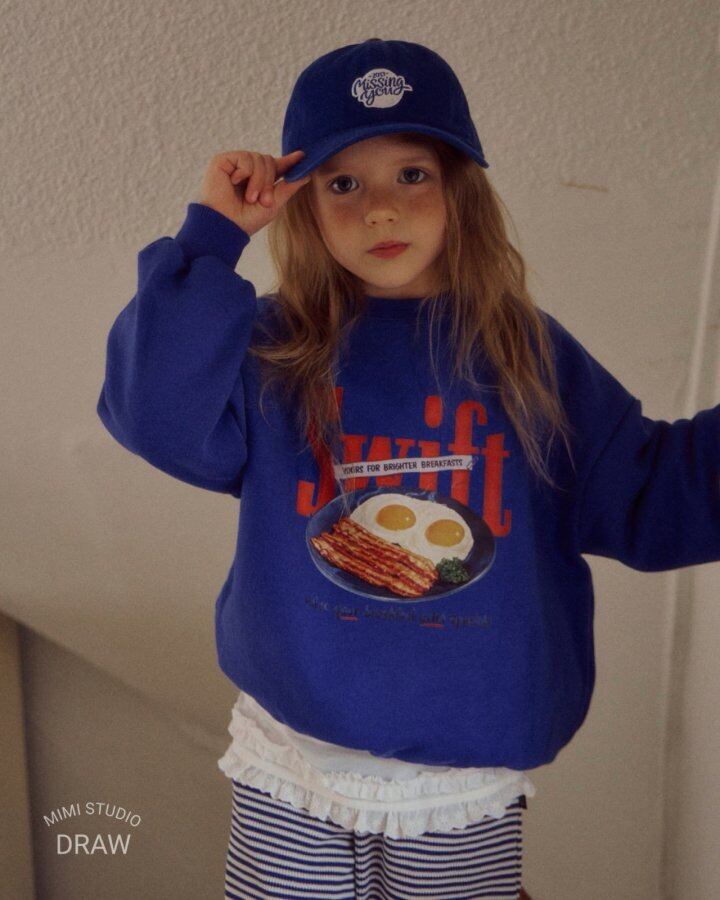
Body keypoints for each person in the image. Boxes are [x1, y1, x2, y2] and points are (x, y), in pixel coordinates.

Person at [96, 37, 720, 900]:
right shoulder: (274, 348)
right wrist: (211, 234)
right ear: (305, 204)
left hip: (461, 774)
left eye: (412, 174)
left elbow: (652, 493)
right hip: (294, 755)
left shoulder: (527, 354)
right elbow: (153, 416)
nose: (381, 210)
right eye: (343, 184)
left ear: (461, 190)